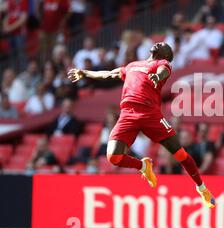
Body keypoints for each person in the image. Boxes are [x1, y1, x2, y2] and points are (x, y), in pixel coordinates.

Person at [68, 42, 215, 208]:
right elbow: (109, 74)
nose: (160, 43)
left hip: (150, 114)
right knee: (113, 157)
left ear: (166, 55)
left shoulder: (162, 64)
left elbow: (163, 72)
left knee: (180, 154)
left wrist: (157, 77)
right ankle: (143, 165)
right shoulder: (133, 65)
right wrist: (85, 72)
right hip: (127, 114)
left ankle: (201, 188)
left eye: (165, 45)